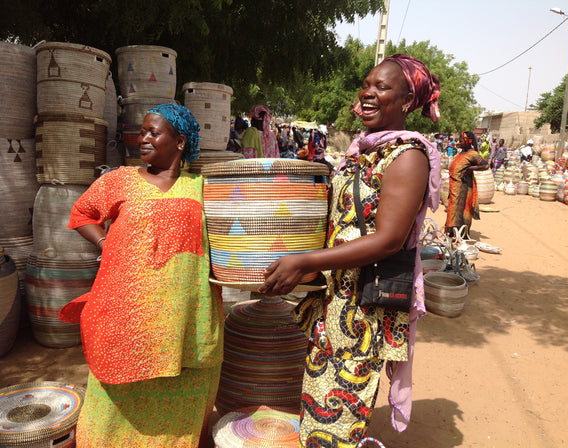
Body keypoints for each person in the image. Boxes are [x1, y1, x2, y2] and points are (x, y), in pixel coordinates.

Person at [258, 54, 441, 447]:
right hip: (335, 301)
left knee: (338, 424)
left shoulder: (407, 157)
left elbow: (388, 239)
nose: (369, 93)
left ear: (407, 101)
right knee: (316, 408)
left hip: (365, 310)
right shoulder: (363, 152)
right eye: (368, 84)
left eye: (382, 87)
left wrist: (305, 261)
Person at [58, 103, 223, 447]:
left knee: (181, 396)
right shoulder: (120, 180)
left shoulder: (202, 187)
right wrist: (104, 241)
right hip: (128, 315)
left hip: (183, 319)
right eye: (142, 131)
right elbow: (82, 212)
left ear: (179, 142)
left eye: (153, 132)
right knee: (113, 392)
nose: (142, 138)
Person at [445, 130, 489, 237]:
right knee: (453, 209)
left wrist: (470, 168)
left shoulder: (472, 154)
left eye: (461, 139)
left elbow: (485, 165)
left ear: (468, 141)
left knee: (463, 210)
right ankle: (452, 233)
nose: (459, 141)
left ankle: (462, 235)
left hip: (463, 187)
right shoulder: (462, 153)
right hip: (455, 187)